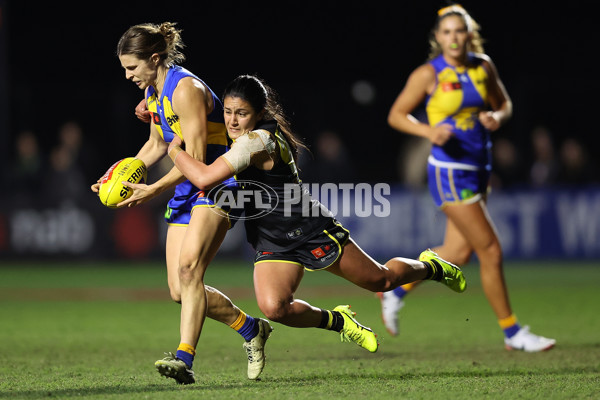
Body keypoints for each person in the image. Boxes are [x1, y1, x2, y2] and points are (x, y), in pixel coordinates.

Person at [156, 74, 467, 358]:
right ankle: (338, 321)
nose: (233, 121)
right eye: (228, 111)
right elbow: (198, 120)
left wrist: (173, 149)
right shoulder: (236, 133)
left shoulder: (257, 141)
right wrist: (155, 112)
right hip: (271, 237)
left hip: (306, 228)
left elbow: (205, 177)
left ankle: (432, 267)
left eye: (242, 113)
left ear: (260, 114)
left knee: (381, 280)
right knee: (275, 308)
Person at [91, 22, 272, 384]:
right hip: (188, 187)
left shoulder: (185, 89)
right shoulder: (155, 93)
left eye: (132, 68)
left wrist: (154, 188)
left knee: (191, 272)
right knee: (179, 289)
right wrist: (120, 177)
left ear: (154, 58)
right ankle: (250, 328)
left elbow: (197, 158)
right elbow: (158, 144)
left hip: (220, 184)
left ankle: (184, 359)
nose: (128, 76)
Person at [383, 4, 555, 352]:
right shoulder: (428, 74)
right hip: (449, 173)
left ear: (469, 33)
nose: (453, 38)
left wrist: (496, 116)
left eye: (459, 31)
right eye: (446, 32)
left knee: (458, 254)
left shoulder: (483, 66)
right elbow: (396, 115)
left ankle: (395, 287)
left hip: (479, 169)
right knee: (490, 250)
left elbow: (504, 104)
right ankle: (513, 333)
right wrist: (430, 132)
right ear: (438, 38)